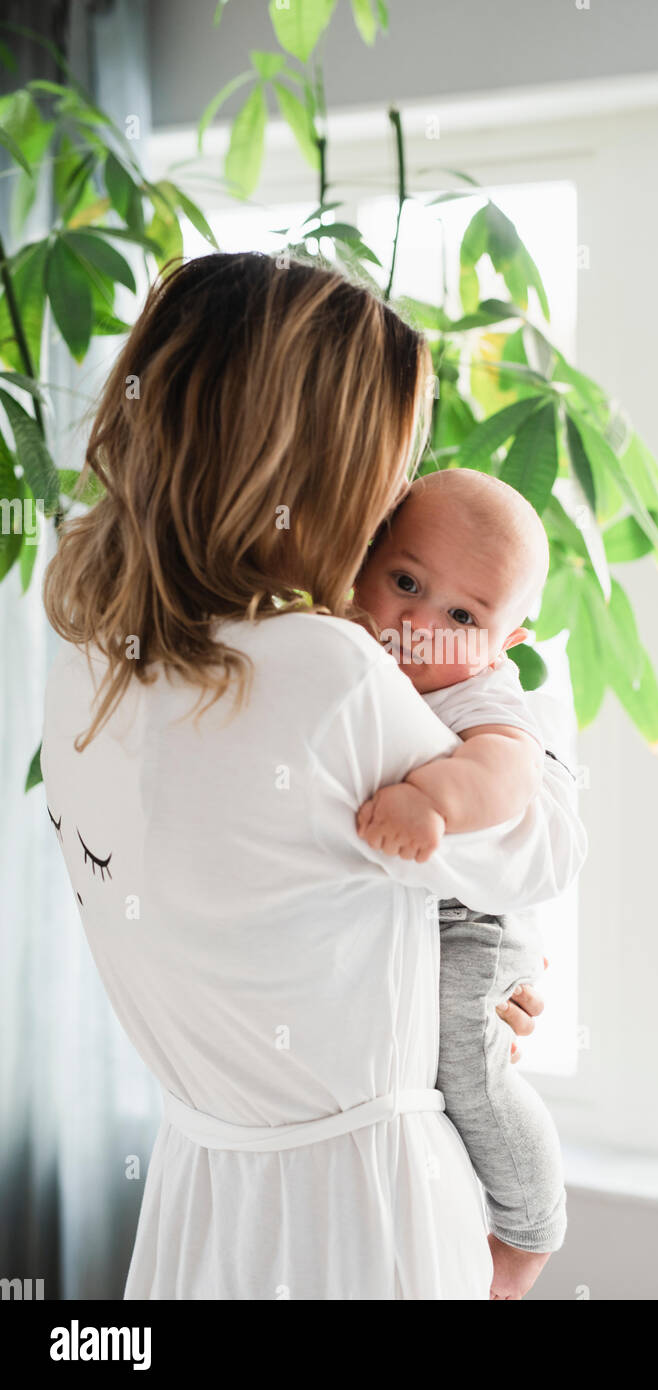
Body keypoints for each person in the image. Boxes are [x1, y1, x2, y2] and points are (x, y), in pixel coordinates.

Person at [40, 251, 586, 1301]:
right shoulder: (324, 672)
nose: (390, 503)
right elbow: (540, 848)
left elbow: (275, 933)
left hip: (204, 1184)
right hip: (357, 1206)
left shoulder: (87, 671)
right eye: (386, 477)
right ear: (316, 469)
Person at [352, 466, 581, 1300]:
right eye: (405, 581)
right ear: (364, 557)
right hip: (415, 911)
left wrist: (432, 801)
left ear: (503, 644)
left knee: (466, 1061)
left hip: (474, 918)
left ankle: (528, 1228)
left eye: (461, 616)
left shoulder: (483, 695)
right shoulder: (344, 638)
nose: (417, 623)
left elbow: (506, 777)